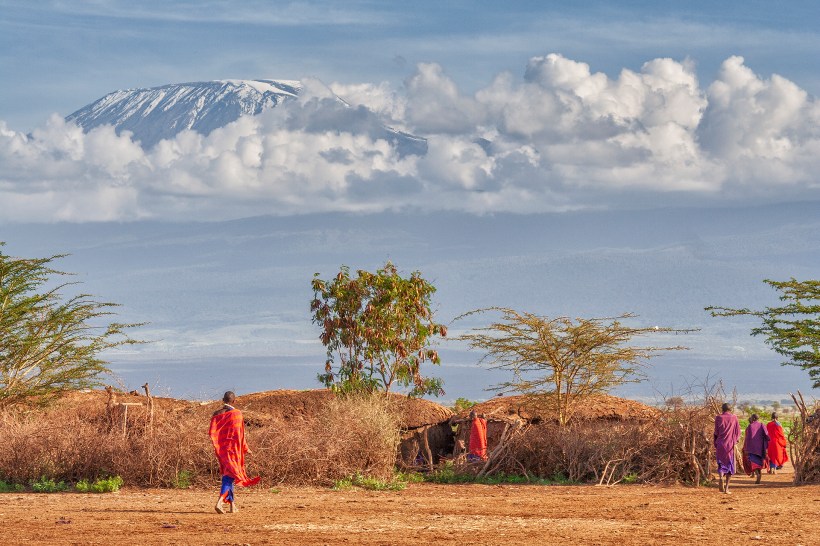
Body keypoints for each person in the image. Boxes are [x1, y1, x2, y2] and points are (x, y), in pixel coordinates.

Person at [208, 391, 260, 514]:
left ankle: (232, 506)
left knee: (229, 475)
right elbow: (240, 434)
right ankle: (220, 502)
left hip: (222, 450)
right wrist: (246, 448)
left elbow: (212, 432)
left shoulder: (216, 414)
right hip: (234, 450)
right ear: (234, 401)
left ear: (222, 400)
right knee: (229, 477)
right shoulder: (237, 414)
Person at [713, 402, 740, 494]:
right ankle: (726, 489)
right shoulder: (734, 418)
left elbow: (716, 432)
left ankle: (720, 477)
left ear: (722, 409)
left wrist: (715, 443)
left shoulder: (718, 418)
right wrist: (736, 440)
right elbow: (738, 432)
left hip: (720, 444)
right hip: (730, 446)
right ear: (730, 409)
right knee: (729, 466)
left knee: (721, 464)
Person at [742, 413, 770, 484]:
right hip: (761, 448)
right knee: (759, 462)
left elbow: (748, 438)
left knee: (754, 462)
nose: (750, 419)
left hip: (752, 448)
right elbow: (767, 436)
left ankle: (757, 474)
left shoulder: (750, 426)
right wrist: (765, 444)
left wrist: (746, 448)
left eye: (751, 417)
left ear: (754, 419)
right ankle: (759, 474)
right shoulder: (762, 425)